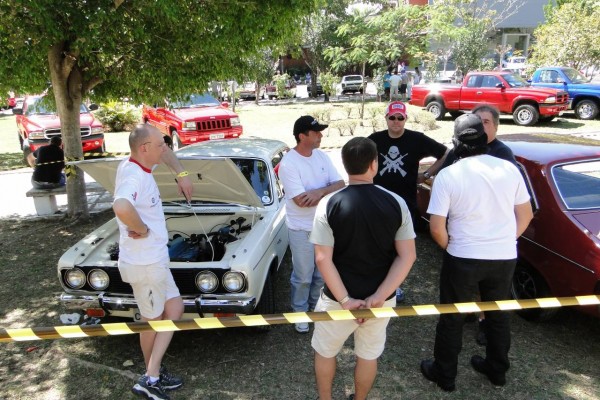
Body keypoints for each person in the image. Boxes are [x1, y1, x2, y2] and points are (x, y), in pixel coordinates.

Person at [420, 114, 533, 392]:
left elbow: (436, 227)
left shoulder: (448, 175)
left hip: (463, 256)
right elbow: (526, 215)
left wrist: (453, 247)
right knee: (498, 315)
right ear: (485, 139)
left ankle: (445, 374)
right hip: (503, 257)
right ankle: (497, 370)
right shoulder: (509, 169)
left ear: (456, 142)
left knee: (452, 316)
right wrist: (503, 241)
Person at [310, 137, 416, 400]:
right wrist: (379, 296)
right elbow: (407, 256)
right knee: (368, 356)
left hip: (336, 299)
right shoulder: (396, 202)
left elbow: (323, 259)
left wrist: (346, 300)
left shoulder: (328, 203)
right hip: (380, 300)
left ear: (345, 165)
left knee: (325, 352)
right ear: (374, 164)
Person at [113, 124, 193, 400]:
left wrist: (182, 174)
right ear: (144, 148)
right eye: (160, 144)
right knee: (153, 320)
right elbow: (121, 206)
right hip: (144, 263)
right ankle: (151, 378)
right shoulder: (134, 176)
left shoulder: (141, 162)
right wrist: (143, 229)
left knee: (175, 307)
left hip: (155, 260)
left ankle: (153, 369)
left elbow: (167, 154)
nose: (165, 148)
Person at [440, 104, 518, 346]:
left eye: (485, 122)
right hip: (470, 247)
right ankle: (492, 366)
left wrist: (504, 239)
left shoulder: (505, 158)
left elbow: (524, 211)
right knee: (466, 310)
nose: (480, 127)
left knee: (491, 313)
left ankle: (483, 350)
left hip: (483, 251)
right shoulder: (453, 164)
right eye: (477, 122)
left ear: (495, 127)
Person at [278, 115, 345, 334]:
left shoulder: (322, 156)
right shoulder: (289, 163)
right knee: (303, 275)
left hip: (325, 226)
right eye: (316, 132)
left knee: (321, 273)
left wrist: (318, 192)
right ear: (302, 136)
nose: (321, 135)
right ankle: (299, 312)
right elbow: (301, 201)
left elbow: (340, 183)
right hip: (301, 228)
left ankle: (316, 307)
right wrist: (326, 192)